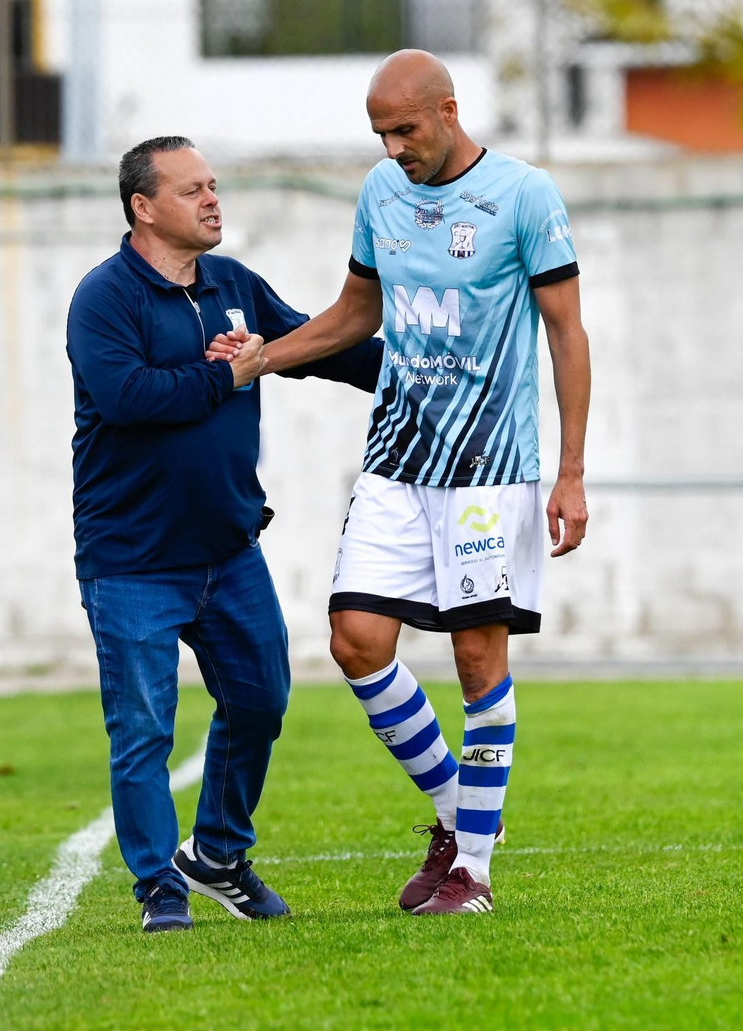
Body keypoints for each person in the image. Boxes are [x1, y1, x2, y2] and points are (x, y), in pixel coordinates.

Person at [212, 50, 591, 916]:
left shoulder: (525, 196)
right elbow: (357, 313)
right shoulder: (382, 194)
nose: (392, 148)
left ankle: (473, 873)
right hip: (396, 457)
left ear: (448, 111)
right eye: (380, 133)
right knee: (356, 639)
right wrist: (262, 359)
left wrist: (570, 471)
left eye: (405, 130)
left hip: (490, 470)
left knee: (476, 658)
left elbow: (567, 334)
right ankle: (462, 814)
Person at [67, 135, 385, 933]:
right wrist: (230, 373)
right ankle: (158, 887)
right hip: (132, 562)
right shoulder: (104, 298)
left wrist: (422, 372)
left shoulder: (233, 284)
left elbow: (320, 346)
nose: (213, 200)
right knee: (144, 729)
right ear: (143, 207)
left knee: (261, 699)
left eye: (213, 185)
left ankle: (216, 854)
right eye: (192, 190)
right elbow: (129, 398)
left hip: (231, 554)